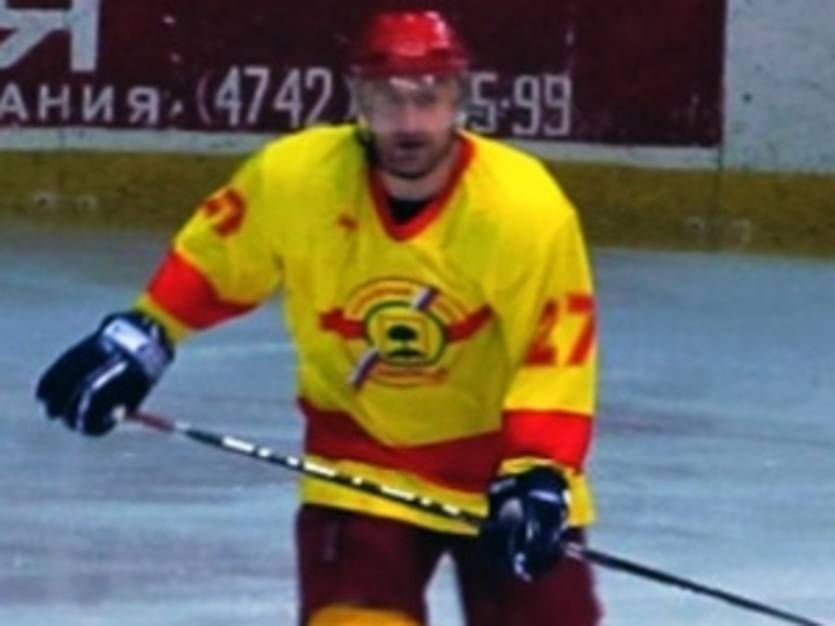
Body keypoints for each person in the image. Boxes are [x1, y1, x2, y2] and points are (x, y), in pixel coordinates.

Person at [35, 9, 602, 626]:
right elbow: (217, 261)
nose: (409, 122)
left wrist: (540, 471)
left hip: (503, 478)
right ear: (358, 100)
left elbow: (554, 353)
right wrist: (144, 336)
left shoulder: (523, 208)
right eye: (388, 99)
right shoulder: (295, 179)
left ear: (461, 101)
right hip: (361, 467)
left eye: (429, 98)